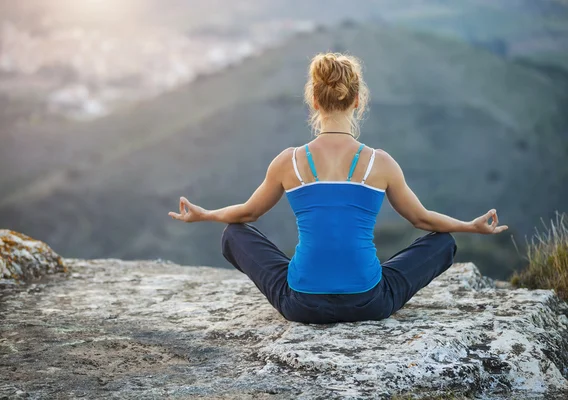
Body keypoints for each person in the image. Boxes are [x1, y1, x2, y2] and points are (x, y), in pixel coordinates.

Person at [169, 52, 508, 324]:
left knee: (233, 233)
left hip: (301, 304)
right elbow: (423, 221)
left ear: (314, 101)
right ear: (358, 101)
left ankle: (312, 278)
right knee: (443, 242)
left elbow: (247, 214)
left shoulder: (289, 161)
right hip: (369, 302)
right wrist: (469, 227)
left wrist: (205, 214)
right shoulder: (381, 163)